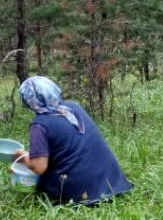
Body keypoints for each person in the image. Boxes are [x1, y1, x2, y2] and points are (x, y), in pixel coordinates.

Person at [13, 76, 133, 205]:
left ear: (28, 101)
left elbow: (39, 167)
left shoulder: (40, 125)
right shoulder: (73, 107)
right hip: (112, 183)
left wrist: (22, 157)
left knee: (39, 176)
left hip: (81, 192)